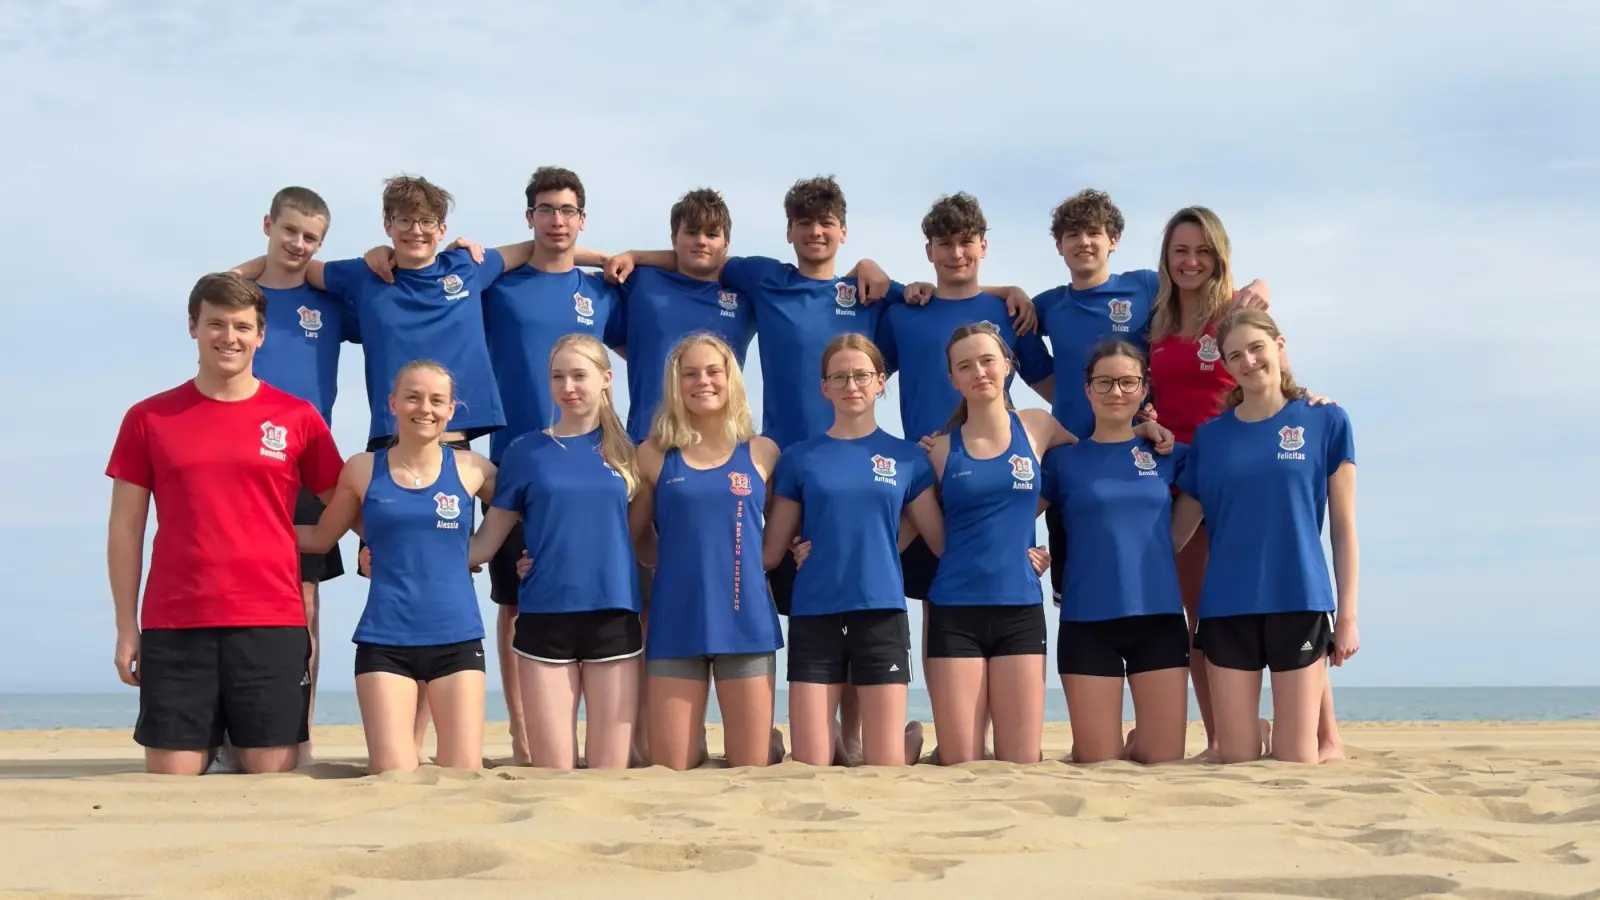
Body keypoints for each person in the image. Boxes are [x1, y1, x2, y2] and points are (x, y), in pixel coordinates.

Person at [601, 175, 900, 764]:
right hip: (773, 457)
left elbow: (931, 302)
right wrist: (632, 256)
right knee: (674, 590)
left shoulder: (869, 293)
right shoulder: (761, 277)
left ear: (842, 229)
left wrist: (873, 265)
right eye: (804, 223)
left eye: (827, 224)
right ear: (788, 231)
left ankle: (846, 735)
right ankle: (658, 732)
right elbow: (701, 255)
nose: (815, 233)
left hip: (838, 466)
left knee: (834, 597)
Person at [237, 173, 534, 762]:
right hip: (391, 446)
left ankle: (522, 738)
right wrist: (230, 279)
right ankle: (405, 739)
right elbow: (294, 267)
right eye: (404, 221)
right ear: (387, 227)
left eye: (427, 222)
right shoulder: (363, 274)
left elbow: (534, 250)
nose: (416, 230)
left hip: (460, 446)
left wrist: (616, 257)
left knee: (503, 582)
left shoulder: (466, 266)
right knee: (402, 581)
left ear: (443, 229)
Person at [1019, 191, 1271, 694]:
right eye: (1073, 235)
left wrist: (1261, 284)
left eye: (1095, 234)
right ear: (1058, 246)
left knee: (1229, 596)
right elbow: (1031, 362)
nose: (1084, 243)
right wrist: (1082, 401)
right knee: (1091, 591)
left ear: (1114, 241)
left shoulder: (1146, 286)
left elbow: (1218, 284)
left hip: (1160, 460)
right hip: (1081, 466)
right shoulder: (1045, 305)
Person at [106, 273, 344, 776]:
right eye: (215, 323)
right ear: (193, 327)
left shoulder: (297, 417)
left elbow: (344, 500)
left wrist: (383, 546)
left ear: (261, 334)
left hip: (271, 620)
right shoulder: (148, 418)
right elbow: (126, 529)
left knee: (272, 774)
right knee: (172, 778)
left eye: (241, 326)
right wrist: (127, 626)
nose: (228, 337)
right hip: (176, 622)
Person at [1147, 206, 1345, 760]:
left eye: (1203, 251)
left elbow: (1274, 369)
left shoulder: (1236, 310)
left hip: (1248, 462)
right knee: (1199, 615)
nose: (1191, 261)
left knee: (1287, 590)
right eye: (1180, 250)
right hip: (1188, 468)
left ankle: (1324, 733)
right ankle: (1222, 736)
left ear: (1219, 256)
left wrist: (1310, 400)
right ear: (1166, 258)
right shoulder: (1155, 316)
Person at [1172, 309, 1360, 764]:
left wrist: (1348, 615)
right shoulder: (1212, 438)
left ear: (1279, 347)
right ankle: (1251, 729)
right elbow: (1177, 529)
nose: (1248, 361)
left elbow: (1343, 524)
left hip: (1299, 599)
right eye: (1234, 355)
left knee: (1297, 760)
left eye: (1256, 348)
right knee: (1235, 758)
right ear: (1226, 366)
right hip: (1227, 607)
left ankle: (1289, 735)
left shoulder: (1327, 420)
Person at [918, 322, 1109, 764]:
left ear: (1007, 365)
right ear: (953, 379)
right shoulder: (938, 450)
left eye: (987, 360)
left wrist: (1142, 435)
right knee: (961, 762)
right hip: (954, 611)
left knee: (1022, 760)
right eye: (965, 366)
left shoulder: (1037, 426)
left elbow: (1094, 461)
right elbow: (908, 525)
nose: (979, 371)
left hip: (1020, 609)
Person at [876, 192, 1057, 654]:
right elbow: (866, 377)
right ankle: (951, 725)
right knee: (938, 609)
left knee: (1005, 606)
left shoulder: (1011, 312)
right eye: (944, 243)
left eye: (966, 242)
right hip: (926, 480)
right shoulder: (904, 312)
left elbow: (1050, 384)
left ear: (983, 247)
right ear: (929, 252)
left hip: (998, 481)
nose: (956, 253)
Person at [297, 361, 496, 774]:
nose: (425, 408)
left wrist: (486, 548)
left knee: (463, 775)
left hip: (457, 640)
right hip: (385, 643)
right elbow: (319, 538)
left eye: (437, 400)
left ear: (451, 410)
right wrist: (247, 526)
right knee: (394, 776)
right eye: (413, 396)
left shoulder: (473, 469)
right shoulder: (362, 469)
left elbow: (522, 505)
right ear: (393, 403)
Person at [762, 333, 939, 766]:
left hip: (880, 612)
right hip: (814, 614)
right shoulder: (800, 458)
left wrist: (1026, 553)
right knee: (812, 763)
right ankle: (835, 739)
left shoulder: (907, 458)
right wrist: (798, 549)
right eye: (839, 377)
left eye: (861, 375)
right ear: (824, 387)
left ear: (880, 381)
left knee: (884, 765)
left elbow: (937, 537)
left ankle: (908, 739)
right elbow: (771, 549)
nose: (851, 385)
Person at [469, 335, 643, 770]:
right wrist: (401, 548)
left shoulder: (633, 453)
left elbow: (649, 539)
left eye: (579, 375)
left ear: (605, 380)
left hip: (614, 615)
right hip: (545, 617)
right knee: (553, 773)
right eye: (558, 376)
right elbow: (485, 543)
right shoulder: (526, 452)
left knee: (610, 772)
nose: (569, 386)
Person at [628, 333, 786, 770]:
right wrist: (677, 561)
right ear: (675, 384)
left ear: (731, 378)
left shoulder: (762, 451)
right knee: (673, 766)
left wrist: (770, 561)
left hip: (745, 620)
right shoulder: (653, 455)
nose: (703, 381)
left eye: (714, 371)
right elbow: (635, 536)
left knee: (749, 766)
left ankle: (767, 742)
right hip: (677, 619)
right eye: (690, 373)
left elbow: (778, 530)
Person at [1041, 341, 1191, 764]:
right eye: (1104, 382)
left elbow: (1203, 500)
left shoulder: (1171, 455)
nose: (1116, 392)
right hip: (1086, 621)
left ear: (1144, 390)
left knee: (1163, 763)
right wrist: (1023, 552)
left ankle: (1138, 743)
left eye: (1128, 382)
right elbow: (1009, 511)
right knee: (1098, 764)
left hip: (1158, 618)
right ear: (1087, 390)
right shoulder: (1062, 462)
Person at [246, 186, 351, 766]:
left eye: (311, 238)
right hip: (243, 471)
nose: (298, 244)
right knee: (236, 599)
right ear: (268, 224)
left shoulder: (329, 298)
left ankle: (299, 731)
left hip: (308, 468)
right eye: (290, 231)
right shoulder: (242, 297)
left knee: (304, 605)